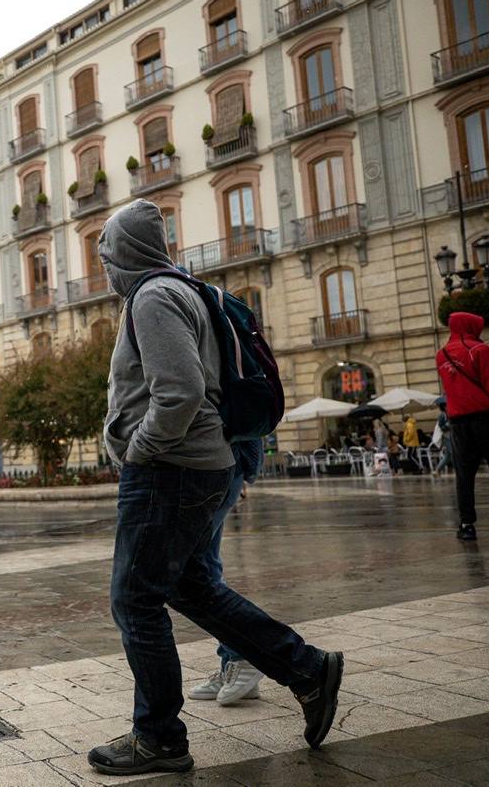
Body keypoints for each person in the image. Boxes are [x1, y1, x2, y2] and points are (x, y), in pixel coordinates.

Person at [89, 201, 341, 776]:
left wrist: (139, 450)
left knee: (135, 599)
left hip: (170, 470)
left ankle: (159, 739)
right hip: (193, 468)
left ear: (126, 253)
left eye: (106, 256)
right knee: (191, 586)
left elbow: (178, 392)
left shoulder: (153, 297)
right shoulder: (179, 290)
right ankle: (307, 669)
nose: (104, 269)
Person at [188, 438, 265, 706]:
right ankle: (234, 663)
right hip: (217, 462)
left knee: (193, 571)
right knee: (205, 567)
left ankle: (245, 656)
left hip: (214, 464)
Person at [436, 311, 489, 540]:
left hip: (459, 424)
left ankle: (467, 526)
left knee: (464, 476)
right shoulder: (480, 350)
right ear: (471, 327)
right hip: (488, 420)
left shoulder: (441, 355)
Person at [432, 410, 453, 476]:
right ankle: (461, 471)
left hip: (450, 436)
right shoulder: (443, 415)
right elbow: (441, 427)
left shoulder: (450, 413)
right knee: (454, 454)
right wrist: (448, 425)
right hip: (447, 437)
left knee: (447, 457)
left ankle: (437, 471)